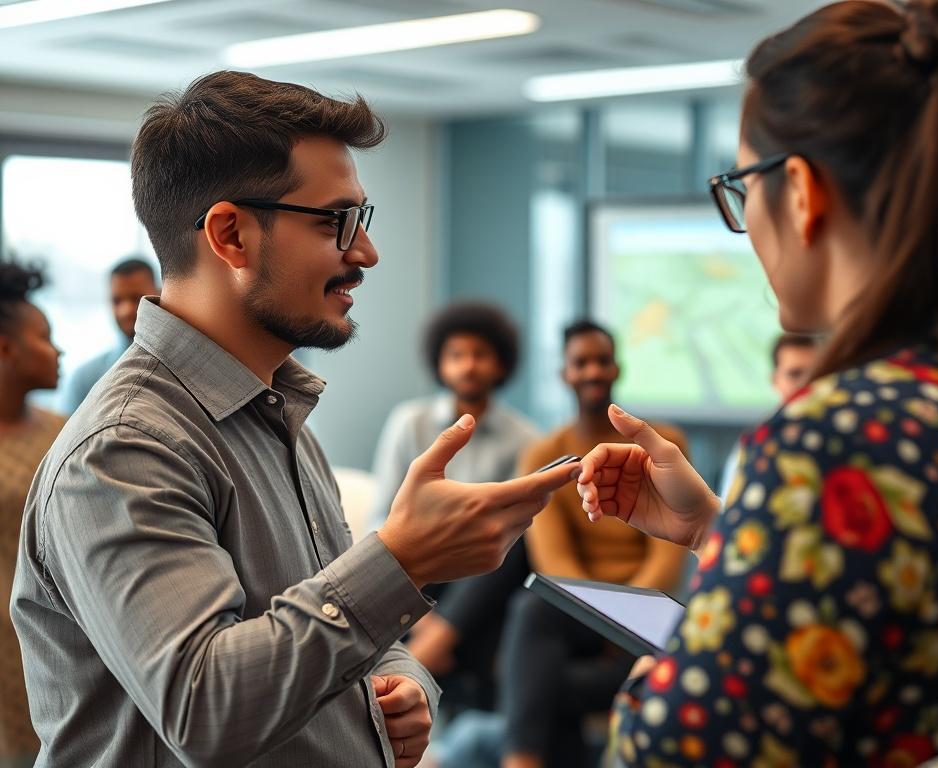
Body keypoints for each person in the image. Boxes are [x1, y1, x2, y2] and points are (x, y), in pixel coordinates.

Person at [9, 71, 579, 768]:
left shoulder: (279, 418)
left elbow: (344, 628)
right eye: (336, 222)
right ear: (231, 235)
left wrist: (404, 684)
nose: (364, 253)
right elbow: (205, 709)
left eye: (362, 222)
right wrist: (402, 560)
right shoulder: (126, 447)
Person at [575, 1, 938, 765]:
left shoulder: (838, 436)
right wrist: (720, 535)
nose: (746, 224)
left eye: (742, 190)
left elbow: (677, 754)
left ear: (803, 193)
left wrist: (659, 683)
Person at [500, 320, 689, 768]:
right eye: (580, 363)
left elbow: (669, 555)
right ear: (564, 373)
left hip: (648, 613)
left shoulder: (663, 444)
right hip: (580, 620)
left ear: (616, 368)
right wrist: (606, 621)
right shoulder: (542, 455)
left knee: (541, 683)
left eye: (601, 361)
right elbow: (555, 562)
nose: (592, 371)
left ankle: (521, 757)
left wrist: (626, 619)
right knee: (531, 608)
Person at [375, 303, 540, 711]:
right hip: (418, 567)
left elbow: (512, 530)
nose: (468, 366)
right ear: (440, 364)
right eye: (457, 355)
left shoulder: (525, 438)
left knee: (519, 542)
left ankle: (434, 659)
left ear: (501, 365)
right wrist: (423, 619)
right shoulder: (409, 422)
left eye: (480, 355)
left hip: (482, 571)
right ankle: (437, 651)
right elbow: (381, 516)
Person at [0, 262, 63, 768]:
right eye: (45, 337)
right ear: (6, 349)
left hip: (55, 640)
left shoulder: (69, 433)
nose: (58, 350)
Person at [717, 333, 818, 499]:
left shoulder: (835, 433)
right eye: (795, 374)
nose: (805, 383)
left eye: (814, 374)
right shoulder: (757, 442)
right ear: (775, 381)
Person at [60, 257, 159, 413]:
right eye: (116, 301)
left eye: (136, 298)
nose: (125, 310)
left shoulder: (184, 368)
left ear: (159, 294)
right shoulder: (85, 379)